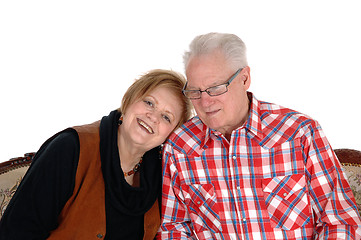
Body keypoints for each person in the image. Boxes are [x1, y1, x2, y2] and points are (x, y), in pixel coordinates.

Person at [156, 33, 361, 239]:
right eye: (195, 91)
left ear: (244, 78)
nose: (205, 102)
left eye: (215, 88)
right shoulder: (179, 147)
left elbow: (340, 222)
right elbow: (174, 228)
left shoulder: (300, 133)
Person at [0, 69, 193, 239]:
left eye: (166, 117)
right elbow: (18, 231)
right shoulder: (70, 148)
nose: (153, 116)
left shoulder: (162, 174)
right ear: (129, 100)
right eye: (149, 103)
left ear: (171, 135)